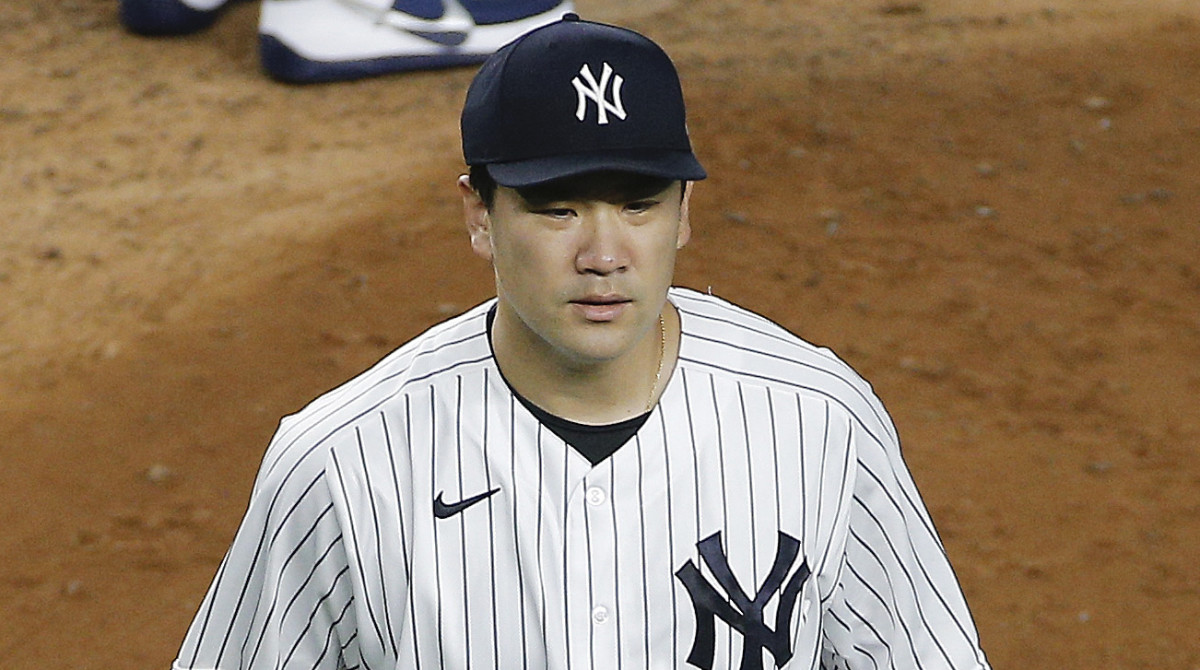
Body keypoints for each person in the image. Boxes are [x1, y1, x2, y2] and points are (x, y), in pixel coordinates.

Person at [172, 13, 992, 670]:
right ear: (479, 216)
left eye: (638, 205)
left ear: (684, 211)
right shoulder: (343, 465)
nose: (604, 255)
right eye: (557, 208)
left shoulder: (819, 422)